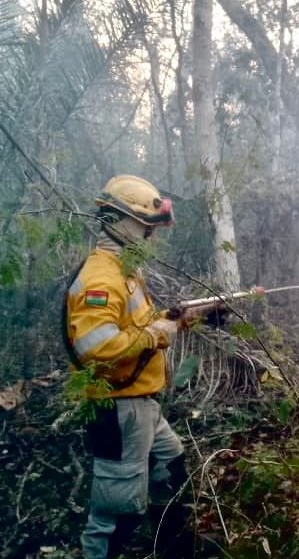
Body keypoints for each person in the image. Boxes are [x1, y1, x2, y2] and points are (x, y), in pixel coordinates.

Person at [64, 175, 218, 559]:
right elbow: (97, 350)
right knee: (116, 511)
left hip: (140, 404)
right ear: (117, 222)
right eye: (145, 228)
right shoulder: (100, 279)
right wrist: (156, 334)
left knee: (170, 462)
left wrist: (183, 318)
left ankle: (176, 549)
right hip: (117, 408)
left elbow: (136, 326)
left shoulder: (124, 271)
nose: (150, 237)